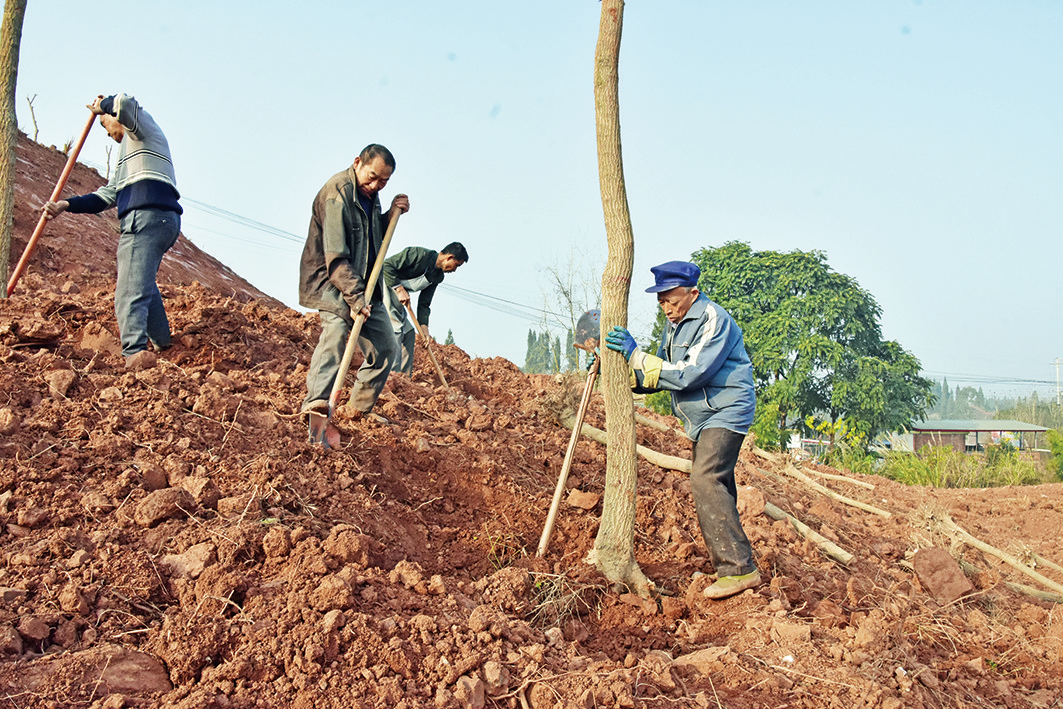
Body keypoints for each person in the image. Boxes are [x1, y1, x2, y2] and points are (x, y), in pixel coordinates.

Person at [604, 260, 761, 600]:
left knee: (705, 477)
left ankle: (738, 569)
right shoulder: (672, 327)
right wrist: (618, 369)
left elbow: (690, 373)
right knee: (718, 483)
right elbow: (659, 374)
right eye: (661, 301)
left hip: (726, 409)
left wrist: (637, 356)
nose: (666, 308)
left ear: (693, 293)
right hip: (702, 416)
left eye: (671, 300)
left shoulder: (713, 318)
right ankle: (735, 562)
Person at [44, 94, 182, 357]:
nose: (107, 134)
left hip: (144, 215)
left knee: (128, 292)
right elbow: (109, 195)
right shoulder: (127, 155)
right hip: (162, 219)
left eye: (104, 125)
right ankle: (163, 343)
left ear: (114, 117)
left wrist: (102, 106)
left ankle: (134, 356)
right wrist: (66, 205)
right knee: (140, 281)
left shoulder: (140, 128)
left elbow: (126, 103)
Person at [298, 144, 410, 423]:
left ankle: (359, 408)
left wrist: (391, 215)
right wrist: (356, 299)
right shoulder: (337, 194)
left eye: (383, 181)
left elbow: (370, 238)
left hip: (363, 282)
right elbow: (335, 257)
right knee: (336, 332)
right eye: (372, 177)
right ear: (358, 162)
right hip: (332, 279)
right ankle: (315, 405)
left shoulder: (371, 194)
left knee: (386, 345)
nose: (375, 185)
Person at [382, 242, 468, 374]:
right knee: (397, 329)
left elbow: (424, 303)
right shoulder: (418, 255)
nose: (454, 270)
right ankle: (391, 375)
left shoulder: (438, 276)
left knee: (409, 333)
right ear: (449, 257)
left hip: (398, 296)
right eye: (456, 265)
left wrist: (425, 331)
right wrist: (398, 288)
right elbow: (387, 265)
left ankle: (404, 380)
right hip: (385, 286)